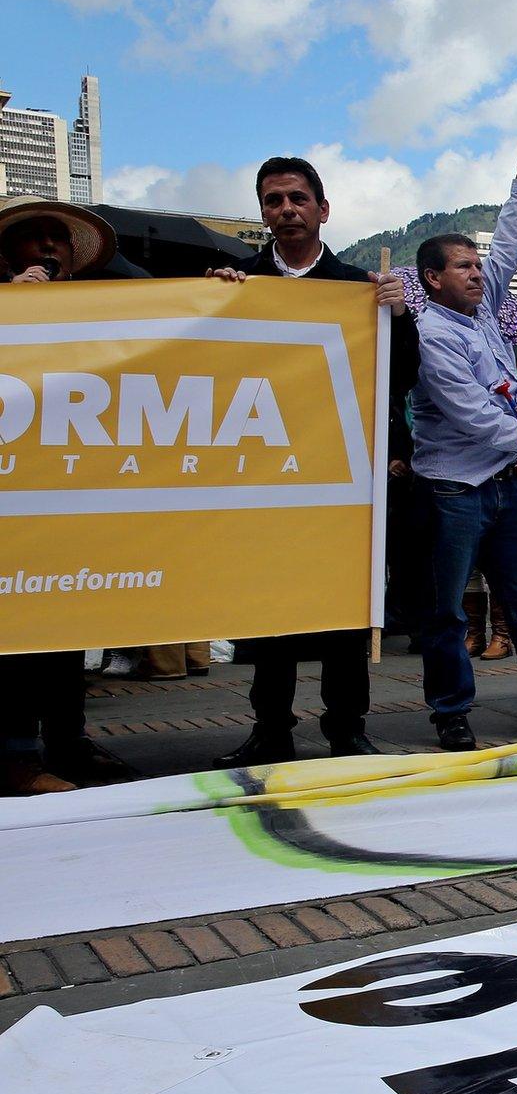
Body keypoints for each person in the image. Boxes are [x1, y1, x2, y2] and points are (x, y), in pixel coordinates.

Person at [202, 156, 420, 766]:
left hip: (341, 474)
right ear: (263, 213)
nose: (286, 210)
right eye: (273, 201)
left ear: (323, 209)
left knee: (345, 610)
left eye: (297, 198)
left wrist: (398, 318)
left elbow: (404, 376)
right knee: (268, 605)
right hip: (262, 475)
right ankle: (270, 729)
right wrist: (209, 305)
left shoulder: (360, 286)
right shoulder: (235, 283)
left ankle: (347, 729)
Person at [412, 139, 517, 750]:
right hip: (455, 489)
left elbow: (511, 239)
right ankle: (451, 713)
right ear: (433, 279)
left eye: (477, 265)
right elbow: (470, 413)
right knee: (449, 611)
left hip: (505, 486)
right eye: (463, 266)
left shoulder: (483, 314)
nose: (478, 272)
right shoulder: (431, 332)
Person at [0, 197, 133, 795]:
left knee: (66, 624)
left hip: (71, 495)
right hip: (13, 501)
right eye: (37, 238)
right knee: (14, 631)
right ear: (10, 254)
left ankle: (68, 742)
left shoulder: (93, 319)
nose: (50, 248)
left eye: (60, 240)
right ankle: (16, 755)